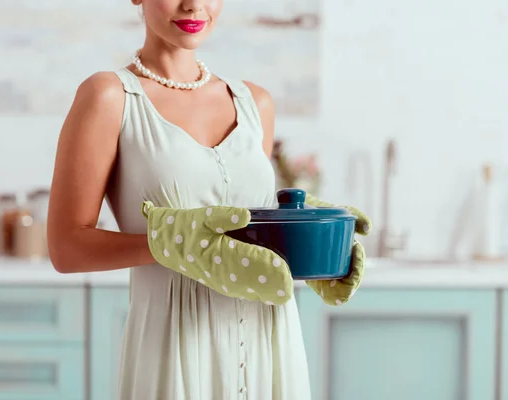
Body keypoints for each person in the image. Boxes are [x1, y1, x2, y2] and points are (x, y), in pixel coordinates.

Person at [47, 0, 370, 399]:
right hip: (175, 343)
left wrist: (316, 237)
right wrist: (175, 242)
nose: (193, 5)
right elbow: (66, 247)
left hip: (270, 337)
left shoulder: (255, 103)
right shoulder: (109, 96)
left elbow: (251, 233)